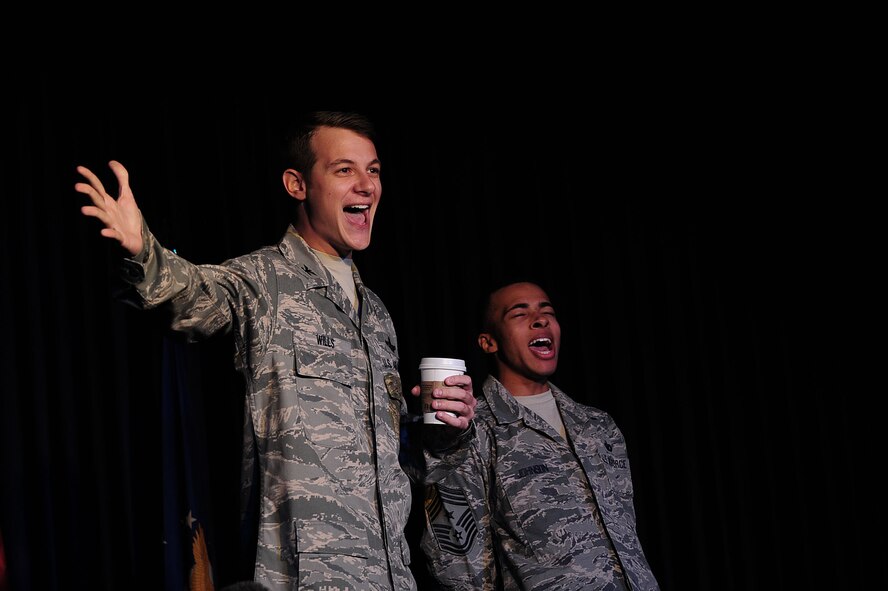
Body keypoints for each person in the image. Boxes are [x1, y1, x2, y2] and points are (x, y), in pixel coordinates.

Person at [74, 111, 477, 591]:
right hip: (302, 577)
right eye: (344, 170)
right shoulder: (264, 280)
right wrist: (142, 249)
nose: (367, 185)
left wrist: (441, 431)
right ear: (297, 184)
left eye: (373, 170)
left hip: (389, 575)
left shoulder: (377, 314)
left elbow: (392, 462)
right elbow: (192, 296)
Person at [419, 281, 659, 590]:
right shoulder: (469, 431)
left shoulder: (598, 426)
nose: (540, 319)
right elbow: (458, 564)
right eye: (520, 314)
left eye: (547, 312)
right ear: (489, 342)